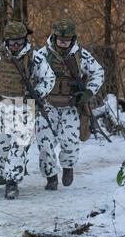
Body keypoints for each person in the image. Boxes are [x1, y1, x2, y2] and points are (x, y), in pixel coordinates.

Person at [0, 21, 55, 200]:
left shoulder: (35, 58)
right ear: (6, 41)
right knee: (3, 147)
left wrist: (37, 93)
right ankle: (8, 175)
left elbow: (49, 79)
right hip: (1, 106)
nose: (16, 45)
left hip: (24, 106)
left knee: (19, 145)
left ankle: (12, 183)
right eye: (12, 42)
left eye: (19, 42)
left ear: (25, 40)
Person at [37, 18, 104, 190]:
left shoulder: (81, 54)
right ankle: (51, 176)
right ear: (54, 36)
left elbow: (98, 73)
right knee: (44, 143)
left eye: (67, 40)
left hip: (70, 106)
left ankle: (68, 167)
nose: (63, 43)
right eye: (60, 39)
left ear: (73, 39)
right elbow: (30, 74)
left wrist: (88, 92)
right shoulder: (42, 54)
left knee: (70, 142)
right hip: (47, 105)